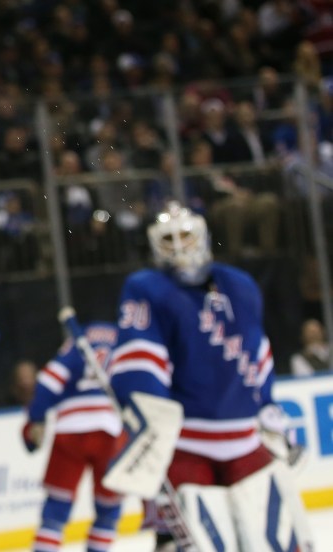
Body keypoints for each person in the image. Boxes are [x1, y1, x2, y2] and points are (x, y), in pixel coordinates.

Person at [107, 201, 311, 549]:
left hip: (245, 437)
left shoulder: (239, 285)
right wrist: (147, 411)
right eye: (168, 239)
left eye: (185, 236)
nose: (179, 246)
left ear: (202, 236)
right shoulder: (148, 287)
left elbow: (256, 349)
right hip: (186, 442)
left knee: (277, 539)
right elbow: (140, 355)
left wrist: (267, 405)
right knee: (185, 541)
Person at [22, 322, 123, 552]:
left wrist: (35, 417)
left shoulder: (78, 341)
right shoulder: (124, 340)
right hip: (111, 431)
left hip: (70, 430)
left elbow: (49, 380)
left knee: (56, 510)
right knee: (108, 509)